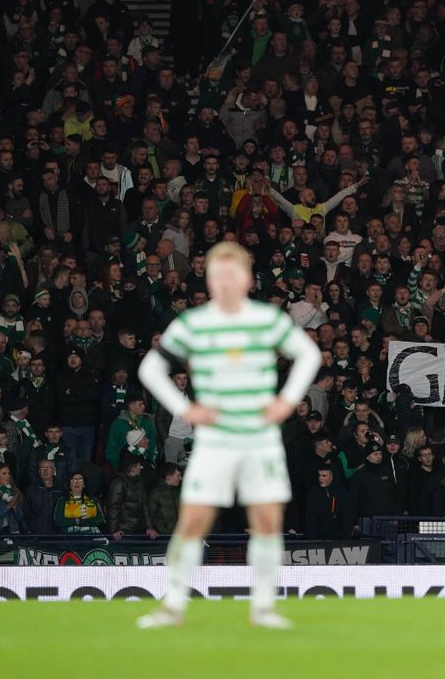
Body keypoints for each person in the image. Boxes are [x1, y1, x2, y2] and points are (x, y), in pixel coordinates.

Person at [135, 241, 320, 629]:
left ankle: (265, 607)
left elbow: (309, 355)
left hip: (259, 436)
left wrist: (285, 402)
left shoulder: (267, 319)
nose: (226, 281)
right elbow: (150, 369)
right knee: (193, 520)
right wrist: (185, 408)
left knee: (268, 520)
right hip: (216, 438)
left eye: (233, 273)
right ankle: (172, 605)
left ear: (249, 279)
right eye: (218, 274)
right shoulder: (193, 322)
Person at [146, 463, 182, 536]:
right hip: (162, 537)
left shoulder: (179, 492)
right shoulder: (156, 493)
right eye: (178, 476)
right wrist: (152, 528)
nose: (181, 478)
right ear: (168, 477)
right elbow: (149, 514)